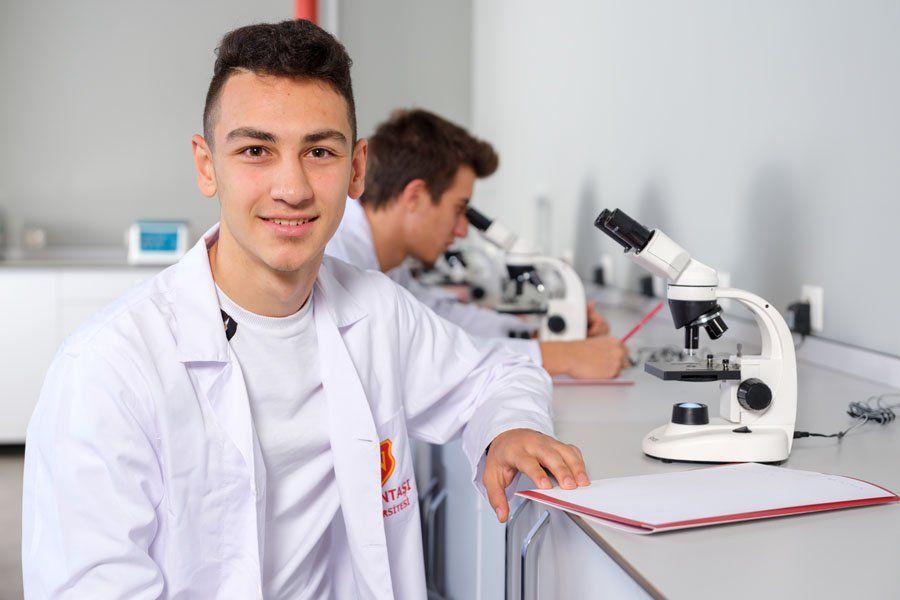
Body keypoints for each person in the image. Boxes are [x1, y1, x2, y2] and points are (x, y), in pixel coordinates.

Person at [22, 20, 590, 599]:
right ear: (206, 165)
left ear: (357, 169)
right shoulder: (107, 371)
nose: (291, 188)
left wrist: (509, 428)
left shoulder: (377, 311)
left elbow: (501, 372)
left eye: (319, 151)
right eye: (255, 151)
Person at [326, 109, 628, 380]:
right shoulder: (338, 261)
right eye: (458, 209)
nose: (461, 230)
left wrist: (546, 334)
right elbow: (419, 357)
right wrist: (564, 357)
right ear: (415, 196)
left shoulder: (387, 265)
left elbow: (442, 321)